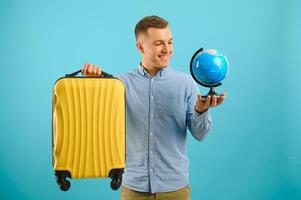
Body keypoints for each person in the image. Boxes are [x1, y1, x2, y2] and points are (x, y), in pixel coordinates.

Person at [81, 15, 226, 200]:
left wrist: (201, 110)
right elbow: (96, 120)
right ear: (140, 47)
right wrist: (94, 85)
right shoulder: (118, 84)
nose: (167, 50)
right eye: (159, 43)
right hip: (133, 188)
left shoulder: (186, 83)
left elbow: (201, 134)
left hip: (175, 190)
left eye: (170, 42)